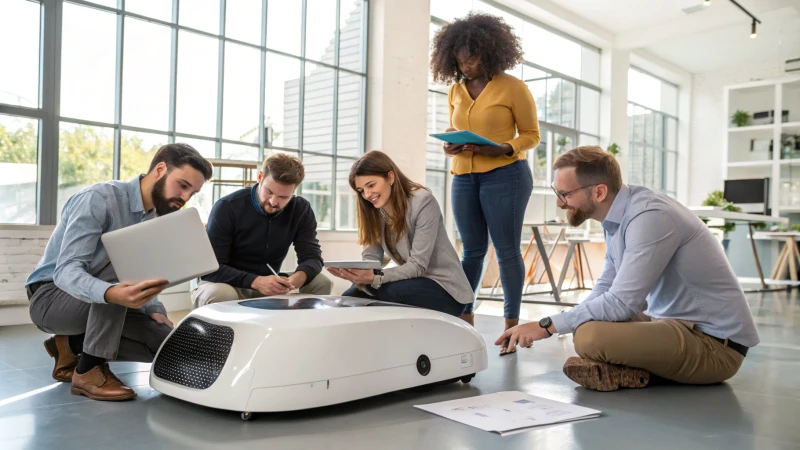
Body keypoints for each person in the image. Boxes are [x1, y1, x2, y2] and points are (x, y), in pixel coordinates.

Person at [496, 146, 759, 390]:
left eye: (565, 194)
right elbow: (607, 286)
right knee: (587, 323)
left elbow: (622, 303)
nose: (560, 203)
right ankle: (625, 368)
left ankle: (631, 371)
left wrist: (546, 326)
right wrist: (573, 317)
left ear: (599, 192)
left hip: (715, 346)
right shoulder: (619, 218)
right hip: (672, 324)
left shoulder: (650, 217)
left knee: (589, 337)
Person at [26, 143, 214, 401]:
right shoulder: (98, 199)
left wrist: (154, 310)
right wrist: (112, 292)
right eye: (182, 185)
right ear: (160, 170)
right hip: (51, 299)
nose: (185, 197)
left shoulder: (155, 218)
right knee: (116, 280)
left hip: (104, 303)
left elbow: (141, 276)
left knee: (167, 345)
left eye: (192, 192)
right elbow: (67, 271)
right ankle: (88, 370)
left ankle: (71, 345)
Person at [430, 12, 539, 339]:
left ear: (490, 52)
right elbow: (456, 128)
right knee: (472, 250)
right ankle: (465, 318)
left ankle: (511, 326)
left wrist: (504, 148)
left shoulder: (513, 87)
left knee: (506, 250)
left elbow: (531, 135)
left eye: (473, 58)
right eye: (461, 60)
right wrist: (450, 144)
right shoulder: (455, 91)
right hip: (463, 177)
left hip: (506, 174)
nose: (466, 66)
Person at [326, 151, 472, 317]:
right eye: (361, 190)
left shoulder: (423, 202)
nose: (366, 195)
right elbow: (372, 259)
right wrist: (358, 275)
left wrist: (375, 278)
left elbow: (418, 265)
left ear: (390, 177)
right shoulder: (373, 211)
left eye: (371, 185)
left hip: (445, 289)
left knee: (391, 292)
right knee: (350, 298)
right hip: (411, 282)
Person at [192, 153, 332, 307]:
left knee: (321, 282)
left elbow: (313, 257)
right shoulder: (227, 207)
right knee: (222, 294)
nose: (273, 202)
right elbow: (211, 270)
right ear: (260, 177)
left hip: (268, 283)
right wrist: (256, 281)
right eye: (269, 192)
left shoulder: (301, 209)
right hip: (223, 283)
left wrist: (295, 280)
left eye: (283, 197)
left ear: (294, 191)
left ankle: (301, 330)